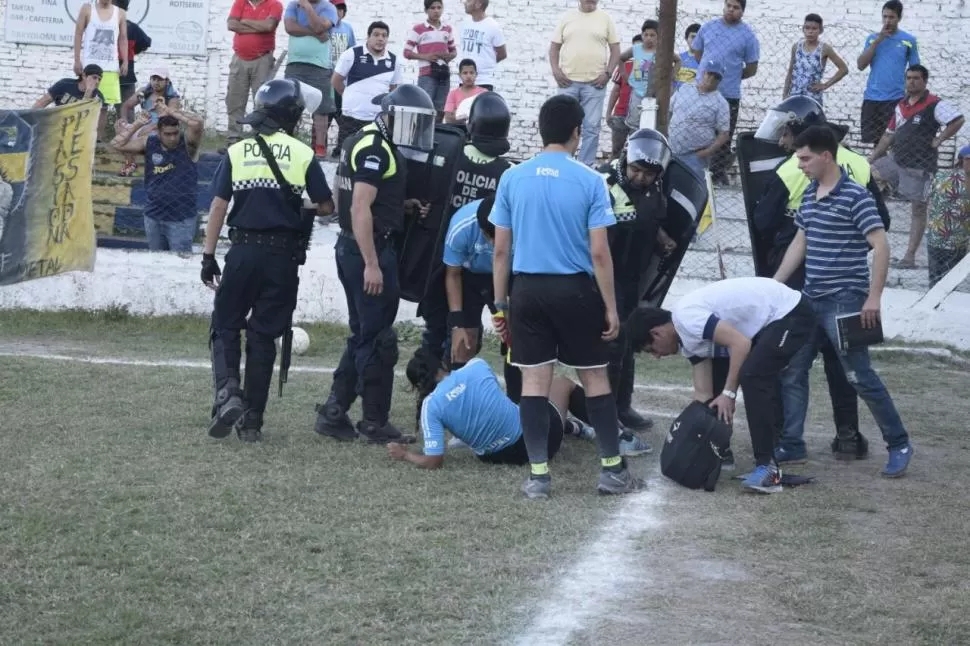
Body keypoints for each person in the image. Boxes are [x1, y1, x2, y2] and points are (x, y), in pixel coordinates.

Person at [489, 94, 644, 499]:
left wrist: (500, 303)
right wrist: (610, 307)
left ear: (541, 130)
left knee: (534, 381)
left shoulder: (512, 177)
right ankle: (612, 470)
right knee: (594, 378)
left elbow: (501, 250)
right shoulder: (591, 180)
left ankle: (538, 476)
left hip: (526, 291)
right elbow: (599, 252)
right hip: (575, 291)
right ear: (577, 132)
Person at [752, 95, 888, 462]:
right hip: (849, 280)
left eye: (788, 134)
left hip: (803, 280)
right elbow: (882, 222)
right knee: (844, 364)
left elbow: (762, 223)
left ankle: (787, 437)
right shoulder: (858, 164)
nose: (784, 143)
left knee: (791, 361)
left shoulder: (790, 169)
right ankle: (847, 435)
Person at [773, 125, 913, 479]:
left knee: (859, 376)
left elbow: (881, 247)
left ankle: (898, 443)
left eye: (805, 158)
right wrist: (774, 286)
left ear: (826, 156)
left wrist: (873, 298)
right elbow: (800, 243)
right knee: (792, 371)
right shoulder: (809, 195)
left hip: (846, 301)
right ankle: (792, 444)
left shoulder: (856, 197)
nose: (800, 164)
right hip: (809, 300)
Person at [201, 79, 335, 442]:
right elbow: (326, 205)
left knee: (225, 323)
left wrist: (209, 256)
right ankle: (252, 422)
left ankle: (228, 390)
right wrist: (294, 205)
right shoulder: (304, 154)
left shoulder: (237, 152)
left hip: (243, 252)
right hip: (281, 258)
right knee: (263, 337)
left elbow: (218, 206)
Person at [315, 85, 436, 444]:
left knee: (365, 335)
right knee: (378, 340)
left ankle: (335, 411)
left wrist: (402, 207)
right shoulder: (374, 147)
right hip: (366, 250)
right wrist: (372, 263)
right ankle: (373, 421)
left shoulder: (366, 139)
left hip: (358, 247)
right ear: (392, 115)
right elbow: (359, 207)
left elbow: (363, 199)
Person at [627, 277, 817, 494]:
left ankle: (768, 469)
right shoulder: (688, 341)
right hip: (769, 323)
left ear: (656, 333)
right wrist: (690, 440)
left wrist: (729, 393)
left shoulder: (687, 318)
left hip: (790, 312)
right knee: (742, 380)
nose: (657, 357)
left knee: (753, 376)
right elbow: (703, 395)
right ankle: (737, 455)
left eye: (651, 350)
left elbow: (740, 344)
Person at [597, 128, 679, 438]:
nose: (642, 177)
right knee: (614, 341)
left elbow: (649, 219)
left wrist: (663, 239)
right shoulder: (604, 184)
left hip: (633, 277)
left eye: (649, 172)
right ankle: (607, 413)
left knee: (628, 340)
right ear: (625, 160)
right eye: (636, 170)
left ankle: (622, 405)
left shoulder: (654, 189)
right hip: (606, 276)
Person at [390, 350, 599, 469]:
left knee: (527, 408)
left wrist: (404, 455)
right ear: (442, 364)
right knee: (562, 383)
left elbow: (433, 460)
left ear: (418, 386)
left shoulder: (430, 405)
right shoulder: (477, 366)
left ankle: (571, 427)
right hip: (539, 443)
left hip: (499, 459)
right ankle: (613, 432)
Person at [870, 65, 965, 269]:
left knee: (918, 208)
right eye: (908, 78)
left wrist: (939, 139)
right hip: (897, 159)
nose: (911, 82)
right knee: (869, 175)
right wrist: (871, 158)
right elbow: (888, 134)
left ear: (924, 81)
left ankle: (909, 257)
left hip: (919, 165)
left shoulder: (934, 104)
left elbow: (957, 120)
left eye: (916, 78)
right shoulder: (901, 105)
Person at [109, 107, 204, 252]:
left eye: (175, 133)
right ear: (158, 133)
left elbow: (197, 123)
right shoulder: (149, 142)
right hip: (154, 216)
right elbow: (116, 144)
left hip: (181, 219)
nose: (172, 138)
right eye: (167, 134)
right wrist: (138, 124)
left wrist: (171, 111)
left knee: (179, 266)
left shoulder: (188, 144)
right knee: (156, 263)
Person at [691, 0, 760, 184]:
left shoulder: (747, 36)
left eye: (736, 7)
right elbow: (697, 53)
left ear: (743, 11)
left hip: (729, 94)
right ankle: (695, 172)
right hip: (702, 91)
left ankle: (716, 175)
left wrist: (731, 77)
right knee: (699, 131)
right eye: (728, 5)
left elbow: (752, 68)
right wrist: (709, 78)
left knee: (723, 136)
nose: (731, 9)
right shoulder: (708, 27)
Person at [549, 0, 621, 166]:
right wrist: (556, 71)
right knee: (563, 125)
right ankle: (561, 163)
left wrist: (608, 73)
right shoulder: (567, 18)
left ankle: (585, 165)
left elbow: (615, 49)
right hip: (567, 83)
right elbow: (554, 48)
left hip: (595, 84)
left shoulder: (605, 19)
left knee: (591, 127)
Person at [332, 22, 403, 155]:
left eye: (384, 35)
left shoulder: (394, 61)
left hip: (377, 121)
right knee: (346, 159)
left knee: (372, 157)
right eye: (376, 35)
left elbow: (393, 91)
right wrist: (348, 97)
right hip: (351, 118)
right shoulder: (352, 54)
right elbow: (336, 81)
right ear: (368, 37)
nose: (380, 38)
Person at [857, 0, 919, 145]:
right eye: (884, 17)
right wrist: (878, 41)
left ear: (899, 18)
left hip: (895, 98)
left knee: (894, 142)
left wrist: (912, 96)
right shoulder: (872, 39)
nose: (887, 21)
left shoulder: (908, 40)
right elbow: (861, 65)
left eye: (891, 17)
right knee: (875, 142)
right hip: (872, 97)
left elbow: (915, 70)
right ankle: (877, 168)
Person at [283, 0, 339, 158]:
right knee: (289, 105)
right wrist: (315, 33)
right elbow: (290, 27)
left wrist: (307, 7)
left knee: (321, 108)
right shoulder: (293, 5)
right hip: (294, 63)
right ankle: (286, 142)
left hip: (320, 65)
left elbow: (320, 27)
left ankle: (320, 147)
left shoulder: (329, 8)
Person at [225, 0, 284, 146]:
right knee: (235, 99)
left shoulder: (274, 4)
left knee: (262, 100)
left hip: (263, 58)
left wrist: (244, 22)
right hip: (239, 58)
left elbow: (269, 26)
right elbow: (231, 24)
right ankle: (234, 138)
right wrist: (258, 26)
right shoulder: (240, 2)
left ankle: (259, 139)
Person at [73, 0, 128, 141]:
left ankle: (99, 140)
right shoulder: (87, 9)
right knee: (85, 101)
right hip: (90, 67)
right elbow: (78, 33)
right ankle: (80, 138)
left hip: (110, 68)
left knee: (103, 106)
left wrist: (125, 61)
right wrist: (77, 60)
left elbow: (123, 38)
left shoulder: (120, 13)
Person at [668, 60, 731, 179]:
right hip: (671, 149)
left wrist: (706, 153)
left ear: (720, 80)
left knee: (690, 188)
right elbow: (669, 111)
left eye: (716, 77)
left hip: (695, 155)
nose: (711, 79)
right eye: (710, 74)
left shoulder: (721, 103)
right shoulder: (685, 88)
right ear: (703, 73)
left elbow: (724, 134)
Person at [116, 67, 181, 176]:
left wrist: (152, 126)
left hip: (161, 130)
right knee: (119, 127)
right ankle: (130, 164)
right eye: (154, 79)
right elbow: (126, 106)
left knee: (150, 133)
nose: (156, 82)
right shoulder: (144, 92)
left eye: (160, 79)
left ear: (167, 81)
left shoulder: (172, 98)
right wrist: (123, 120)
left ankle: (157, 167)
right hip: (143, 126)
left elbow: (170, 122)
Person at [405, 0, 458, 122]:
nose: (436, 11)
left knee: (440, 110)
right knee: (424, 109)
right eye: (433, 8)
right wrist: (426, 57)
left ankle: (437, 136)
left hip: (443, 74)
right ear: (426, 10)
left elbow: (454, 51)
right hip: (427, 75)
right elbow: (406, 52)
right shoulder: (418, 29)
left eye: (439, 7)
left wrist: (449, 56)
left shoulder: (447, 29)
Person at [926, 145, 970, 286]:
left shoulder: (940, 176)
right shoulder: (945, 177)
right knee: (949, 282)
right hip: (956, 240)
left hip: (936, 236)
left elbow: (929, 200)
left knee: (935, 279)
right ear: (962, 161)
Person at [782, 13, 848, 106]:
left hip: (813, 99)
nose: (810, 31)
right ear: (803, 29)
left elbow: (844, 69)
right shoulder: (796, 47)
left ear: (820, 30)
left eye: (814, 28)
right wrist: (785, 95)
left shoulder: (824, 49)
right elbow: (790, 71)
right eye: (807, 28)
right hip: (794, 97)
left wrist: (825, 85)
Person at [327, 0, 356, 159]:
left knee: (342, 115)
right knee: (324, 114)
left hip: (340, 80)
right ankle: (319, 146)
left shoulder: (347, 28)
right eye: (334, 9)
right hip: (325, 77)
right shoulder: (325, 27)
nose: (337, 12)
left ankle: (340, 148)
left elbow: (352, 51)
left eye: (340, 9)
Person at [457, 0, 507, 91]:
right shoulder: (465, 23)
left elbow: (502, 54)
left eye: (468, 1)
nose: (464, 3)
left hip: (483, 81)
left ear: (478, 4)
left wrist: (486, 63)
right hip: (464, 81)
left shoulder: (493, 26)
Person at [606, 35, 640, 159]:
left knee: (634, 152)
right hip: (621, 115)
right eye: (634, 47)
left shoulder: (650, 66)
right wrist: (609, 112)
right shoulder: (624, 65)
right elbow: (615, 91)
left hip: (639, 118)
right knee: (616, 150)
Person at [118, 16, 152, 123]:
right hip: (126, 74)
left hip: (107, 73)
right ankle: (128, 137)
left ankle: (98, 139)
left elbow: (146, 42)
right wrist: (133, 51)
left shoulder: (103, 25)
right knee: (127, 109)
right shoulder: (131, 27)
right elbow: (146, 43)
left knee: (101, 107)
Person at [33, 65, 105, 108]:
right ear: (84, 76)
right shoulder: (64, 84)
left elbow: (84, 116)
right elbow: (42, 102)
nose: (97, 82)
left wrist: (88, 92)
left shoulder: (98, 96)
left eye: (99, 79)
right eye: (94, 77)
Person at [443, 59, 487, 125]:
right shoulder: (453, 94)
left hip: (478, 131)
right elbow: (448, 118)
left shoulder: (484, 93)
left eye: (471, 73)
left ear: (476, 74)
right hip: (459, 131)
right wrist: (467, 116)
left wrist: (457, 114)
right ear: (460, 75)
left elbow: (486, 116)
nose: (468, 76)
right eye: (465, 73)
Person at [672, 24, 700, 92]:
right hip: (675, 95)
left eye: (698, 38)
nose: (695, 40)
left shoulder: (703, 60)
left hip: (692, 96)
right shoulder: (678, 58)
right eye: (693, 37)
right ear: (686, 38)